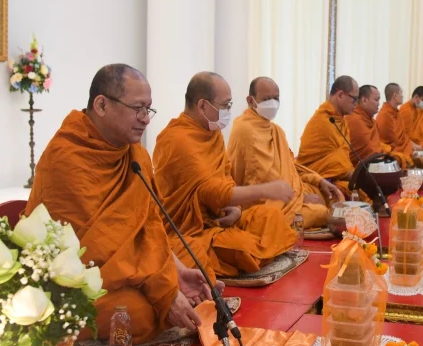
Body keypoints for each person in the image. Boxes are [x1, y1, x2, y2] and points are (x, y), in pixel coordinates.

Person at [26, 64, 214, 343]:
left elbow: (147, 227)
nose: (145, 119)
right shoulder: (67, 157)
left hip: (126, 269)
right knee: (134, 314)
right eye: (137, 108)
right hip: (76, 278)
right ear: (101, 104)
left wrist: (177, 272)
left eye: (148, 109)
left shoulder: (134, 154)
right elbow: (97, 250)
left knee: (197, 266)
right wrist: (164, 289)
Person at [152, 72, 297, 279]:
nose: (228, 111)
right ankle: (248, 257)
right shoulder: (177, 139)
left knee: (271, 217)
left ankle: (249, 256)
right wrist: (266, 190)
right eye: (225, 105)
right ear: (202, 106)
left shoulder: (213, 133)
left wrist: (237, 210)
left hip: (224, 219)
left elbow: (226, 177)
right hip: (193, 230)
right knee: (241, 247)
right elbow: (210, 192)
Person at [227, 77, 344, 231]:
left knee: (326, 197)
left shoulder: (276, 130)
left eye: (276, 98)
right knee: (322, 212)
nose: (272, 103)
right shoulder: (244, 130)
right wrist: (300, 198)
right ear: (250, 101)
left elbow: (290, 167)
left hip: (288, 196)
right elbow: (259, 182)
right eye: (266, 99)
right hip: (263, 204)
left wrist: (319, 180)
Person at [298, 76, 385, 209]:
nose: (356, 104)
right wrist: (356, 177)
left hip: (337, 177)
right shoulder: (323, 121)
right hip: (319, 179)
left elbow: (342, 158)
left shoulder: (341, 120)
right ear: (340, 95)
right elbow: (333, 164)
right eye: (354, 99)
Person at [346, 85, 410, 166]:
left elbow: (377, 144)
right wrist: (387, 152)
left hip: (376, 160)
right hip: (361, 168)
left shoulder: (371, 120)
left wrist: (386, 150)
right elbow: (369, 152)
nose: (378, 103)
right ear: (364, 100)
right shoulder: (355, 120)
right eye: (376, 100)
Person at [376, 82, 416, 163]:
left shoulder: (396, 113)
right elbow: (392, 142)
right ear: (395, 96)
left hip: (403, 147)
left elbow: (403, 136)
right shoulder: (385, 115)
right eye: (401, 93)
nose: (402, 95)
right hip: (393, 151)